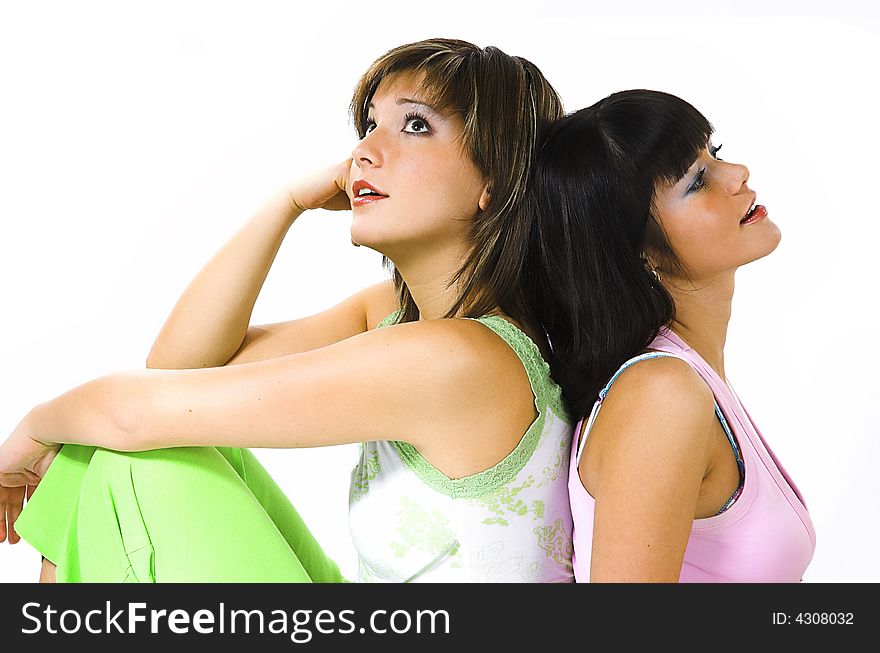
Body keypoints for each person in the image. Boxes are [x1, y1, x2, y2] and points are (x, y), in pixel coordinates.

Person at [0, 38, 574, 583]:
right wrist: (287, 203)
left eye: (416, 126)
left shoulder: (457, 357)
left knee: (129, 452)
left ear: (495, 182)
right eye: (371, 125)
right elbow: (178, 367)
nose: (366, 152)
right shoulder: (399, 317)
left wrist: (30, 431)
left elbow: (135, 412)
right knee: (110, 446)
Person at [526, 90, 816, 582]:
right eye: (697, 180)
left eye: (715, 154)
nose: (738, 172)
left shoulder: (687, 377)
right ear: (638, 251)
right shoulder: (661, 394)